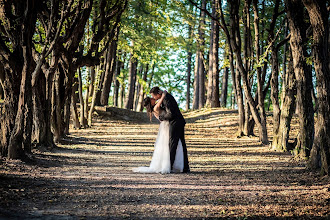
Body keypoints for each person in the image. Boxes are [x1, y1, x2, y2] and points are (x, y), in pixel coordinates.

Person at [132, 90, 184, 174]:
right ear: (150, 102)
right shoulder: (156, 107)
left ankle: (170, 163)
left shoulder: (154, 108)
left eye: (153, 97)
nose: (153, 98)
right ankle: (167, 164)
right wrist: (164, 94)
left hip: (166, 124)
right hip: (166, 125)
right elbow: (161, 101)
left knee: (168, 145)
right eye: (152, 98)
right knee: (168, 145)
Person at [150, 87, 190, 173]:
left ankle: (170, 166)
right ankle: (185, 167)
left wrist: (161, 117)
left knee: (172, 144)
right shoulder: (166, 97)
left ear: (158, 94)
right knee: (181, 144)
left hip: (175, 123)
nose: (154, 98)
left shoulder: (166, 98)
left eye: (154, 96)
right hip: (179, 122)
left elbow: (171, 114)